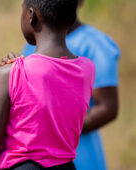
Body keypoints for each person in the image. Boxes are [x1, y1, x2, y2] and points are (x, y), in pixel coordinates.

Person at [0, 0, 95, 169]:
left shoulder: (10, 74)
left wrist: (9, 72)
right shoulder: (87, 69)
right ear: (72, 18)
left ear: (31, 15)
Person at [22, 0, 120, 169]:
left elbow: (107, 107)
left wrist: (54, 127)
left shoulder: (94, 44)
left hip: (80, 158)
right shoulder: (32, 44)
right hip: (37, 160)